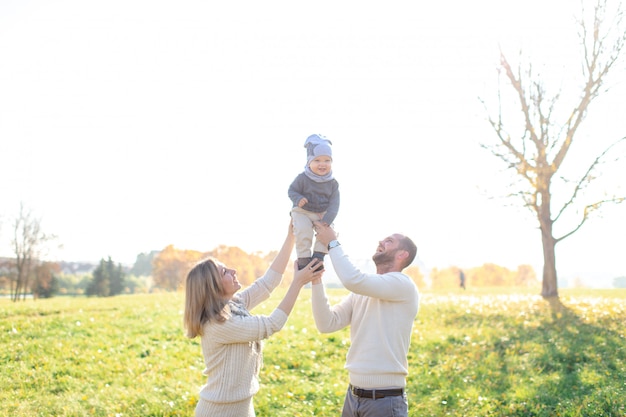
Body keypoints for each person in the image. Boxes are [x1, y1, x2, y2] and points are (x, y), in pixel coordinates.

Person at [183, 224, 322, 417]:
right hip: (219, 412)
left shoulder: (233, 305)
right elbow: (271, 324)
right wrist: (297, 282)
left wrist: (291, 236)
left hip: (242, 409)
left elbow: (267, 283)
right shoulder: (218, 324)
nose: (233, 270)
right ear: (213, 287)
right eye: (225, 272)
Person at [311, 222, 419, 417]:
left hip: (385, 403)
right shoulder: (363, 291)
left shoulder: (403, 285)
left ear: (403, 254)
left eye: (389, 241)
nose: (381, 241)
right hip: (353, 398)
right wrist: (316, 280)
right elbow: (326, 323)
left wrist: (333, 243)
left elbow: (353, 280)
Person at [288, 133, 340, 271]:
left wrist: (327, 219)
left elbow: (335, 203)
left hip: (322, 214)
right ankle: (304, 259)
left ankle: (318, 257)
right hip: (302, 211)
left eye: (327, 160)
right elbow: (291, 190)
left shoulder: (332, 183)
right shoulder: (302, 178)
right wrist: (298, 199)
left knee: (328, 233)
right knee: (303, 231)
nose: (322, 164)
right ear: (309, 162)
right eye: (317, 160)